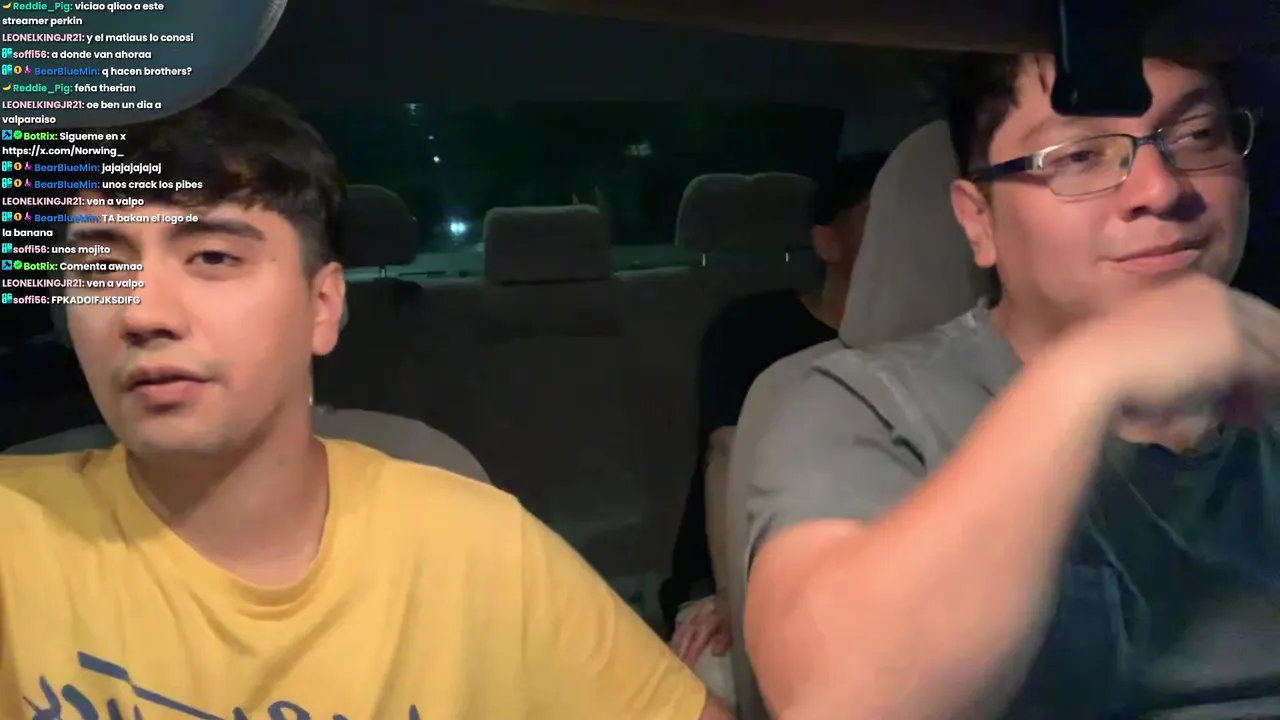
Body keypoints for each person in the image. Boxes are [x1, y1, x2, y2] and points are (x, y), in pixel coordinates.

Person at [0, 86, 732, 720]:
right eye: (99, 266)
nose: (141, 312)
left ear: (323, 306)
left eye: (213, 257)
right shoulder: (17, 534)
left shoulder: (478, 552)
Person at [741, 52, 1278, 719]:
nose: (1161, 188)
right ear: (979, 221)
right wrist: (1091, 372)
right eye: (1080, 156)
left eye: (1197, 136)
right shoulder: (860, 406)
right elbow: (839, 702)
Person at [662, 155, 886, 665]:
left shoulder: (947, 343)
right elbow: (727, 460)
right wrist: (734, 595)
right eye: (881, 216)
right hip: (740, 576)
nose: (905, 235)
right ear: (827, 242)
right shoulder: (750, 328)